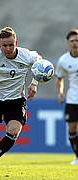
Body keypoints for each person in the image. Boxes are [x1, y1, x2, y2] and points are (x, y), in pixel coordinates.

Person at [0, 27, 41, 176]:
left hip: (16, 101)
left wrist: (34, 83)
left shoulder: (26, 55)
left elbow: (40, 63)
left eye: (11, 45)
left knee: (13, 132)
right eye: (4, 45)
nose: (8, 48)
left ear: (16, 43)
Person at [56, 29, 78, 165]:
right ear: (68, 43)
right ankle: (77, 156)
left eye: (77, 40)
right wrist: (60, 92)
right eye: (72, 41)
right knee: (71, 130)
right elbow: (59, 78)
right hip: (73, 99)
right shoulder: (64, 60)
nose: (75, 43)